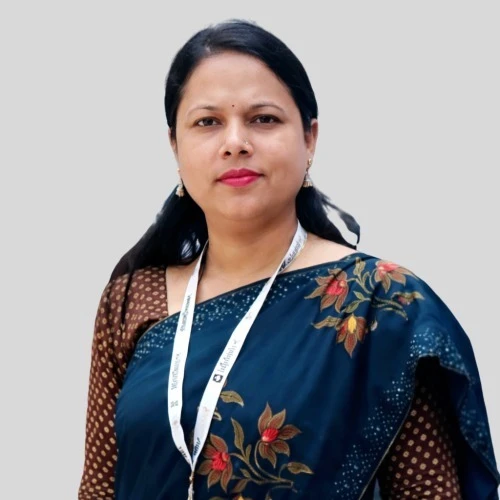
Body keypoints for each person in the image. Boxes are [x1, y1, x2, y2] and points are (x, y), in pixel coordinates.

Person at [78, 19, 500, 500]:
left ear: (310, 138)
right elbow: (98, 487)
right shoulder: (131, 301)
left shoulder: (383, 305)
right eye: (207, 122)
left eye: (263, 119)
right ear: (175, 145)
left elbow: (428, 492)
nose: (235, 142)